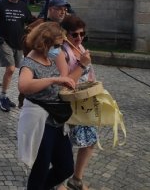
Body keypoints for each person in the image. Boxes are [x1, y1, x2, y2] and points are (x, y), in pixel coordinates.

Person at [17, 22, 76, 189]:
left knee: (66, 167)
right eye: (56, 45)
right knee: (40, 169)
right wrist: (53, 79)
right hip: (41, 124)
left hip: (57, 120)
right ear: (44, 43)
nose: (59, 49)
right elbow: (24, 86)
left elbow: (64, 79)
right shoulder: (29, 63)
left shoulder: (50, 57)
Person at [60, 15, 96, 190]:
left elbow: (89, 74)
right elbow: (65, 82)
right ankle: (59, 180)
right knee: (64, 144)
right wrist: (81, 65)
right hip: (68, 103)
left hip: (84, 99)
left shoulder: (80, 47)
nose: (80, 38)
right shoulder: (62, 52)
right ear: (65, 34)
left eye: (82, 34)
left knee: (90, 140)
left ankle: (77, 178)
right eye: (75, 34)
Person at [0, 0, 33, 112]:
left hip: (18, 43)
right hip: (4, 42)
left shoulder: (23, 6)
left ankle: (6, 95)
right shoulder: (1, 5)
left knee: (17, 70)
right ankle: (2, 96)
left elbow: (29, 23)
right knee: (11, 68)